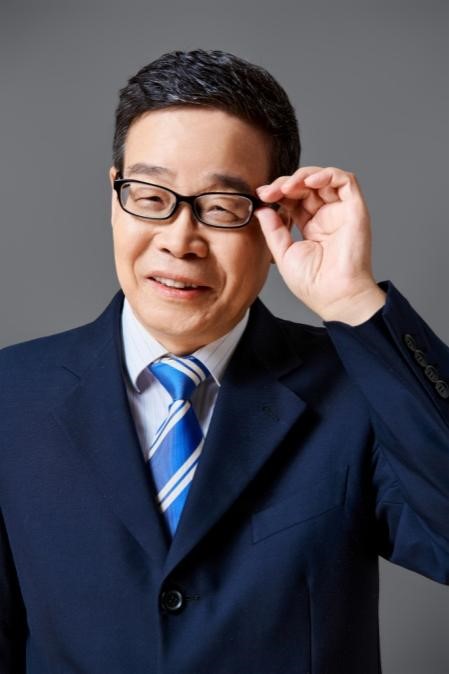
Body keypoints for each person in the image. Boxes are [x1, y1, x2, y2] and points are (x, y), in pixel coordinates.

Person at [0, 49, 448, 674]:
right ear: (114, 194)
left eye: (220, 207)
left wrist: (354, 301)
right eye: (149, 196)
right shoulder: (11, 397)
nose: (179, 240)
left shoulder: (358, 387)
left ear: (276, 217)